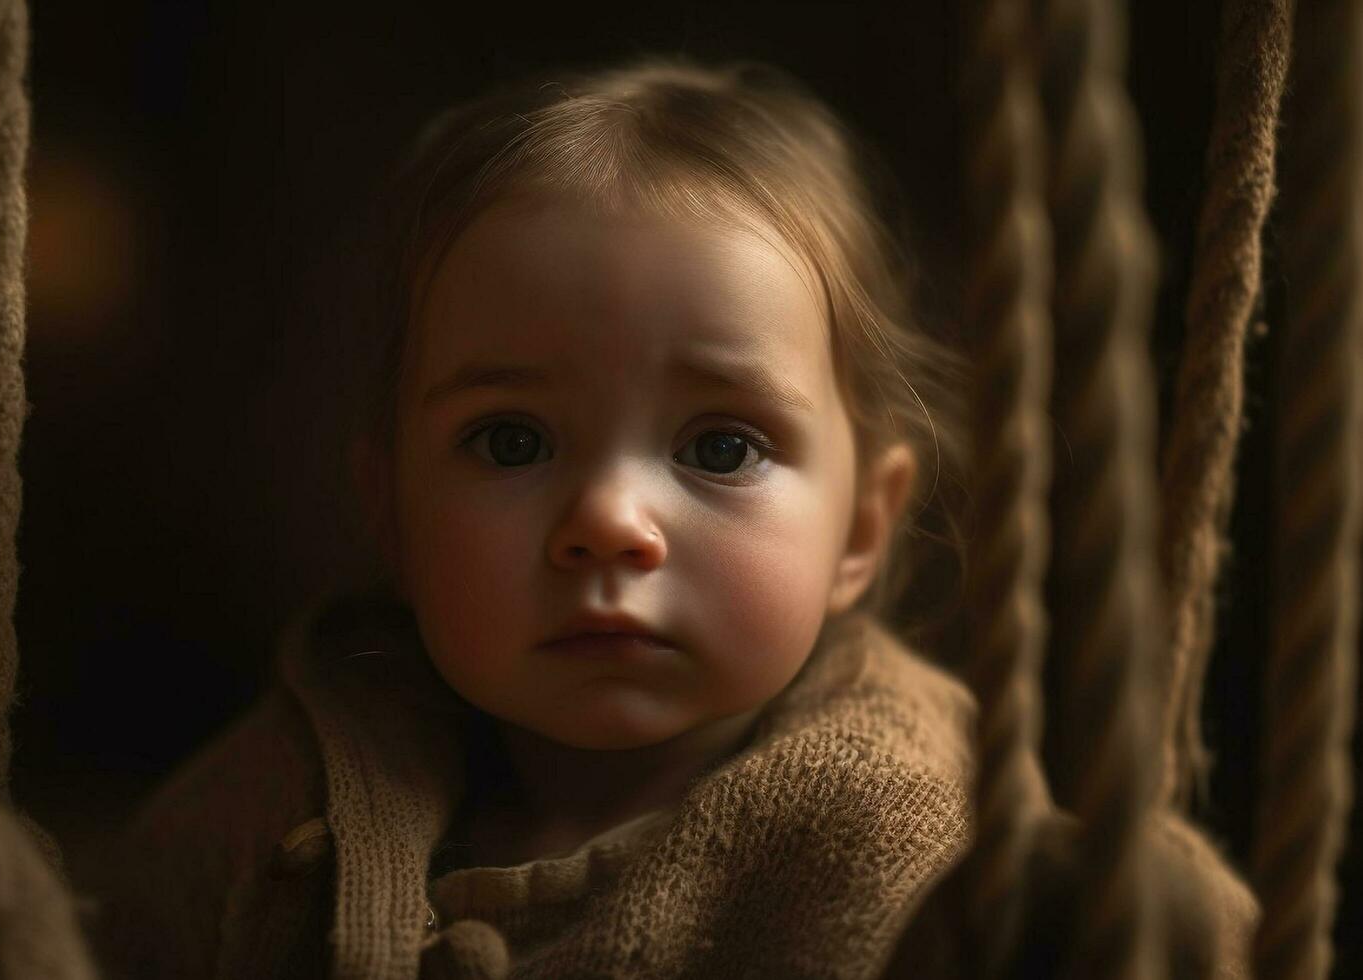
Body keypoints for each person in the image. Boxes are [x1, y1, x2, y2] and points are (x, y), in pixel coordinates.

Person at [94, 55, 1249, 979]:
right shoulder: (314, 759)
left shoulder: (893, 822)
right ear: (390, 510)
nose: (607, 522)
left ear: (861, 529)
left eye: (720, 446)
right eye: (510, 440)